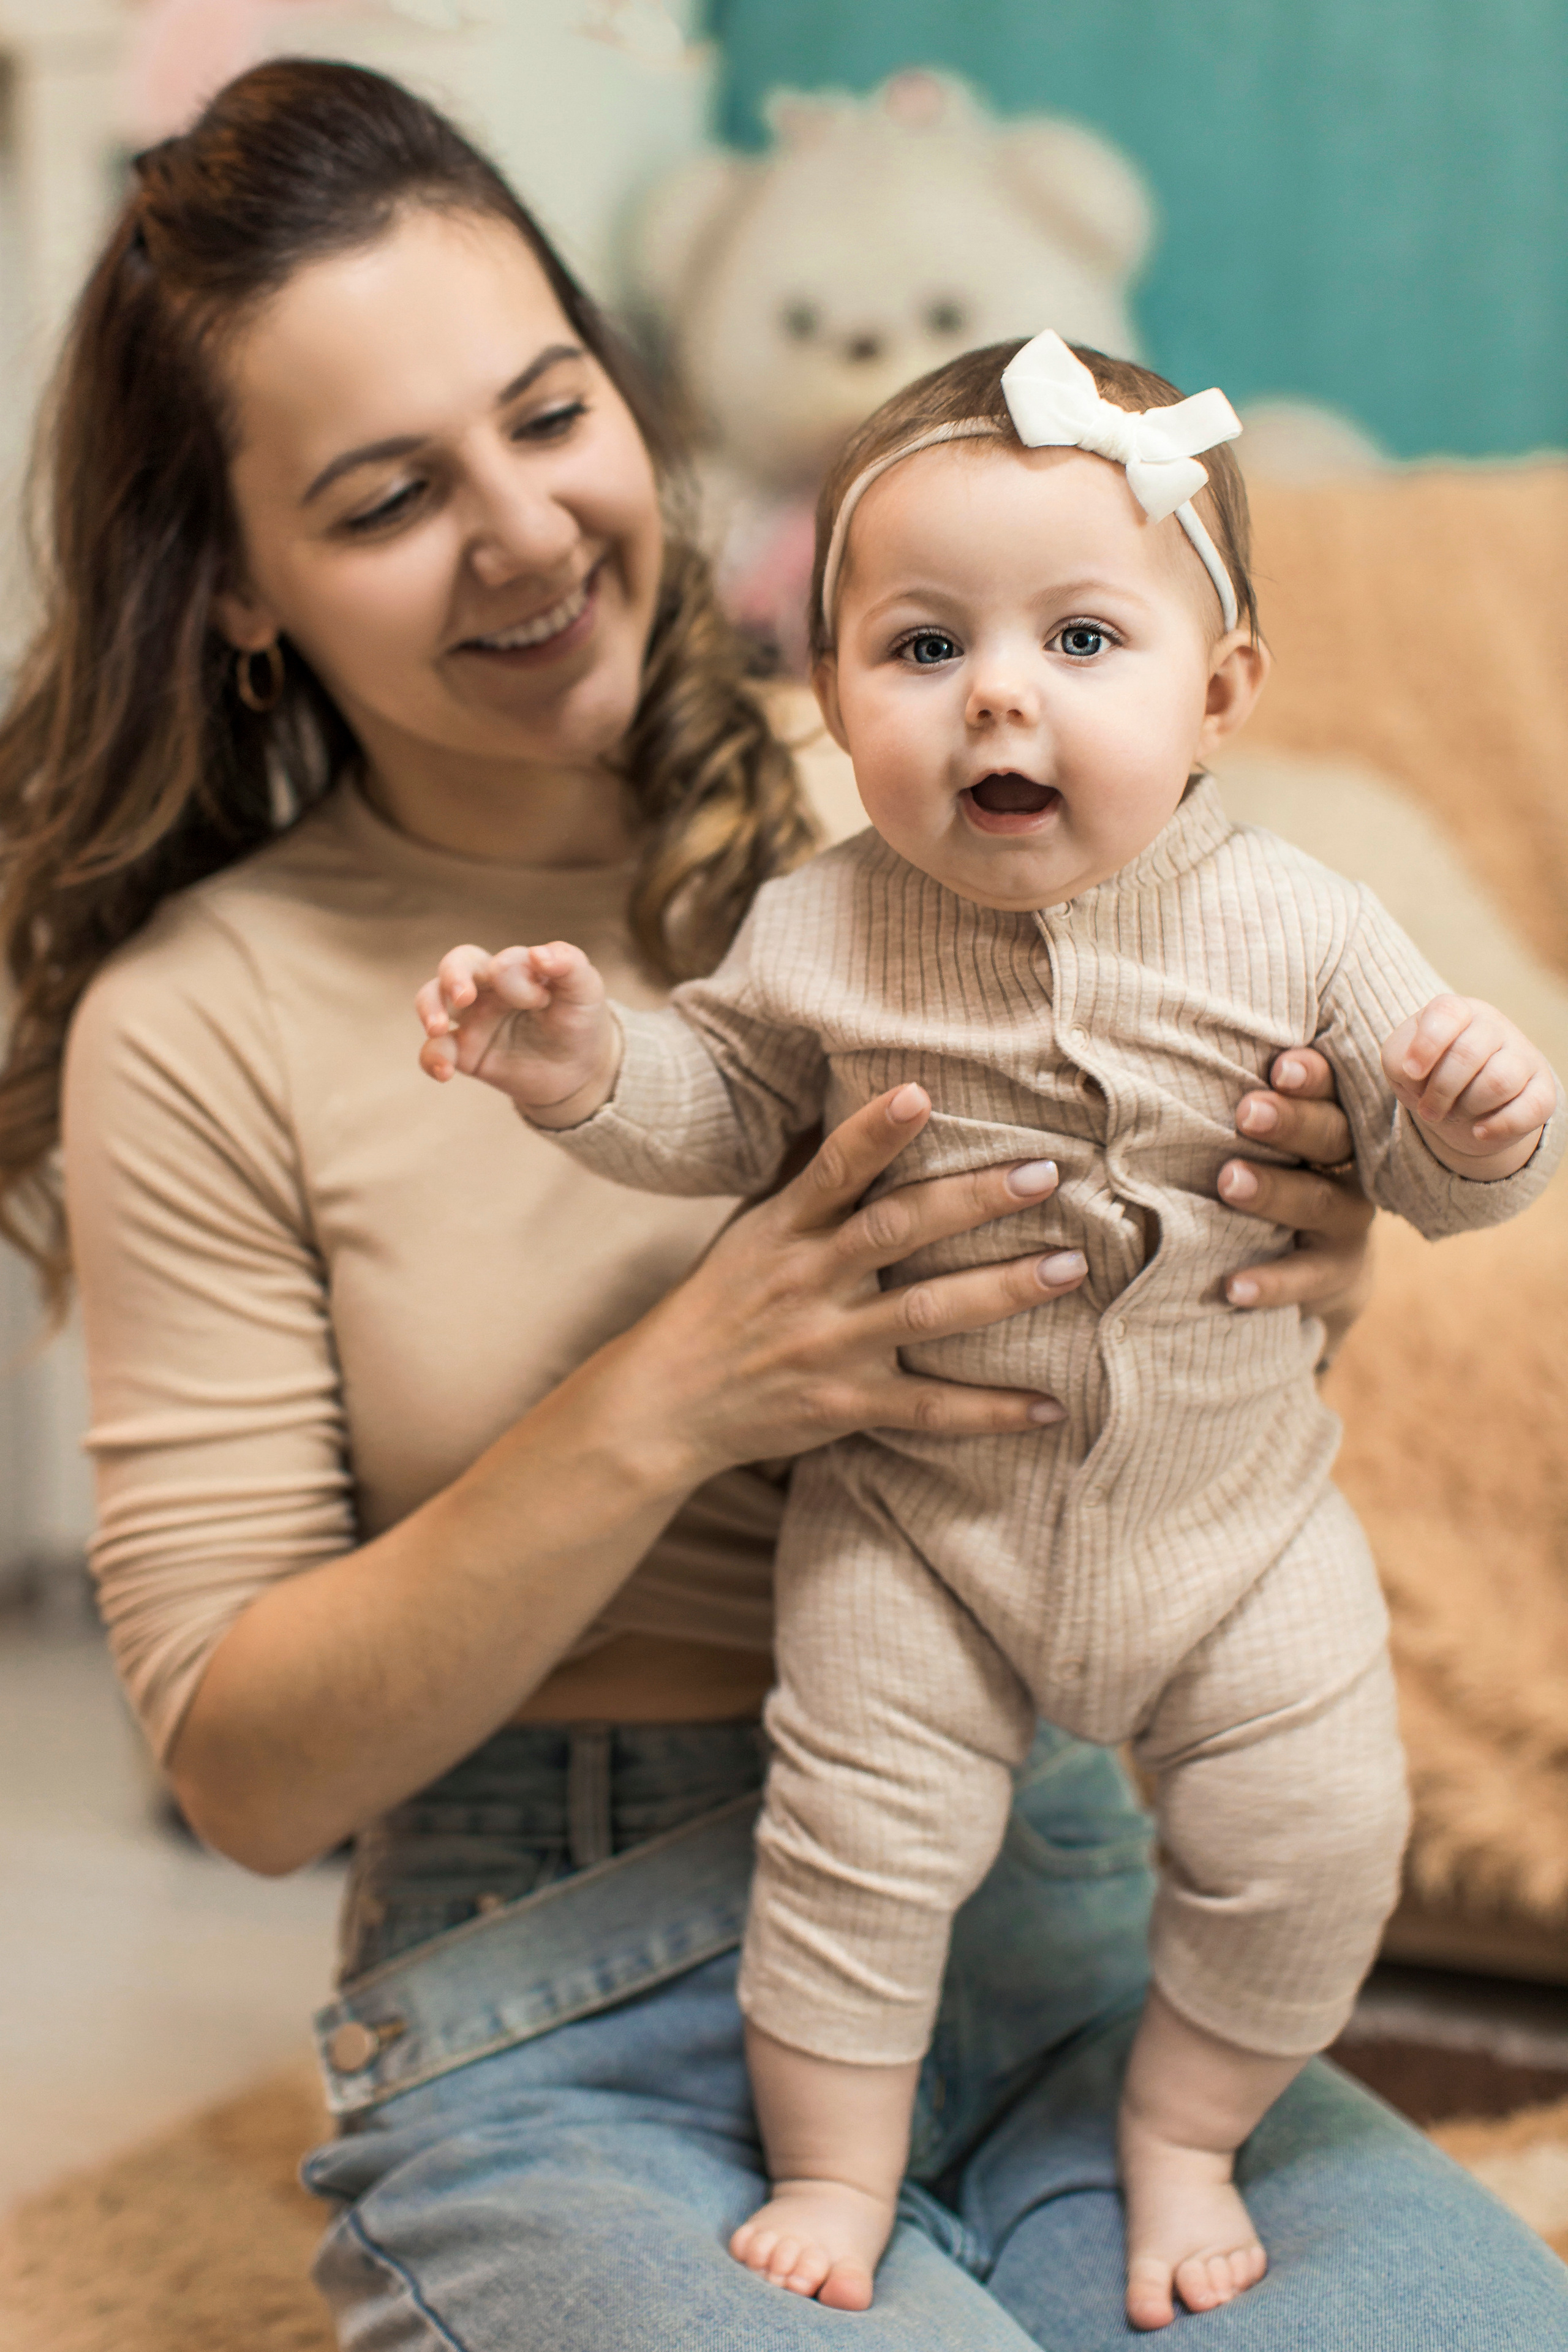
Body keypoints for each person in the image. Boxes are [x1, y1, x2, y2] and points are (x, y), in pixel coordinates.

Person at [1, 56, 1562, 2352]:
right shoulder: (207, 1019)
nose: (525, 529)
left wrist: (1330, 1216)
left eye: (549, 413)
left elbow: (1239, 1165)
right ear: (235, 584)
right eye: (387, 495)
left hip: (1063, 1917)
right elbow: (241, 1765)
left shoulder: (930, 781)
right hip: (568, 1977)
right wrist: (672, 1396)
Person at [413, 328, 1563, 2328]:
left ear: (1222, 697)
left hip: (1238, 1524)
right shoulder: (820, 926)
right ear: (833, 693)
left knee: (1318, 1842)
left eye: (1085, 643)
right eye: (924, 647)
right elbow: (719, 1116)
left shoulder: (1304, 922)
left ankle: (1186, 2125)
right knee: (855, 1856)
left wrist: (1473, 1125)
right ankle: (840, 2171)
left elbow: (1416, 1183)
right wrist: (590, 1065)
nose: (1000, 695)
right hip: (918, 1527)